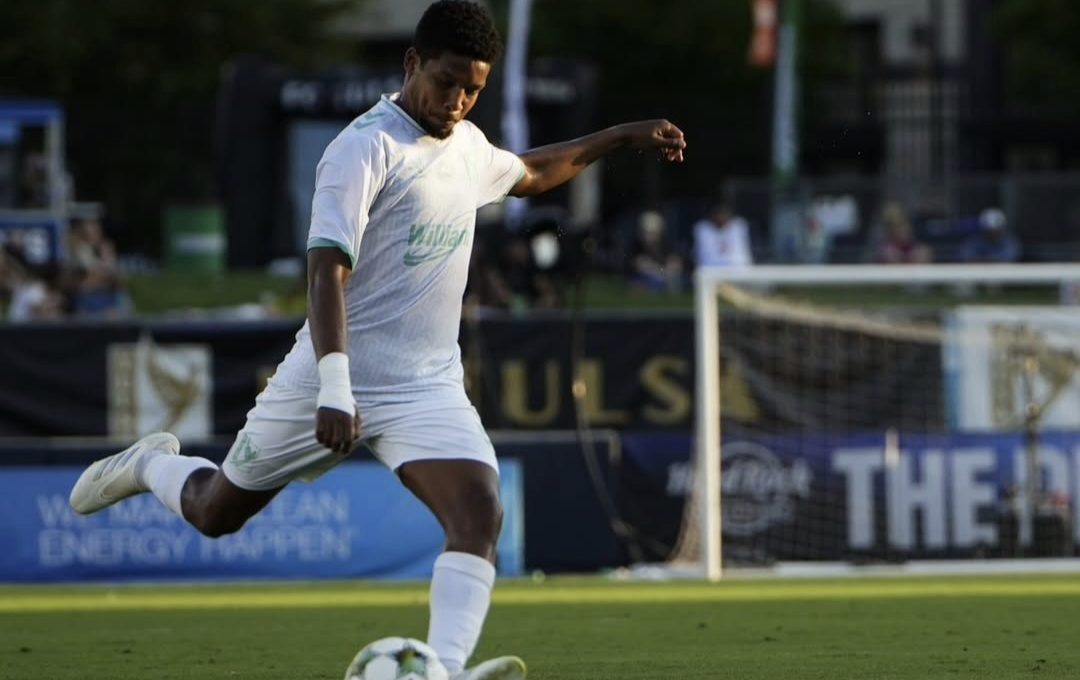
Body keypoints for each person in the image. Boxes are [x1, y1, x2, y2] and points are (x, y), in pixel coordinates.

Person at [67, 2, 686, 679]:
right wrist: (334, 387)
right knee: (217, 513)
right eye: (446, 81)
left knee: (479, 514)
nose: (456, 101)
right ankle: (148, 465)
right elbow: (326, 272)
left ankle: (441, 669)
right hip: (327, 380)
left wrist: (623, 136)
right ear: (412, 63)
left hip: (425, 385)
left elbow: (533, 171)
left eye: (472, 88)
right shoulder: (363, 149)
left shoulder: (468, 147)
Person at [628, 210, 684, 293]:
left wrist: (665, 271)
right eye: (645, 232)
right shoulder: (636, 246)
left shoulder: (666, 244)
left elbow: (675, 263)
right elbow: (642, 265)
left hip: (664, 278)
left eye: (652, 232)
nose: (648, 236)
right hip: (646, 279)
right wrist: (662, 271)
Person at [693, 202, 752, 268]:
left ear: (729, 216)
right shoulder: (703, 229)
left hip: (737, 269)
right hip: (711, 269)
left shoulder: (738, 226)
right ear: (712, 216)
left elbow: (741, 258)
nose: (721, 217)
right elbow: (705, 257)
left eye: (724, 214)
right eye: (719, 214)